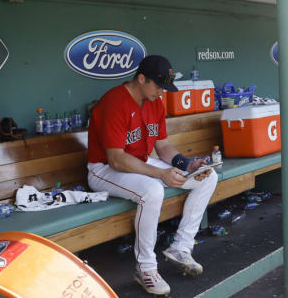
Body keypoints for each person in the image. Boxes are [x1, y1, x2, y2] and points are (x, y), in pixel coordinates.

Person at [87, 55, 218, 296]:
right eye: (158, 86)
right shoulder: (114, 102)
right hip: (104, 169)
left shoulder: (155, 102)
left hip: (142, 162)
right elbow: (116, 158)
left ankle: (181, 248)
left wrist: (187, 164)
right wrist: (161, 173)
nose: (161, 92)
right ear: (141, 78)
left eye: (164, 87)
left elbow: (163, 146)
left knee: (207, 177)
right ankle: (146, 267)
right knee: (153, 190)